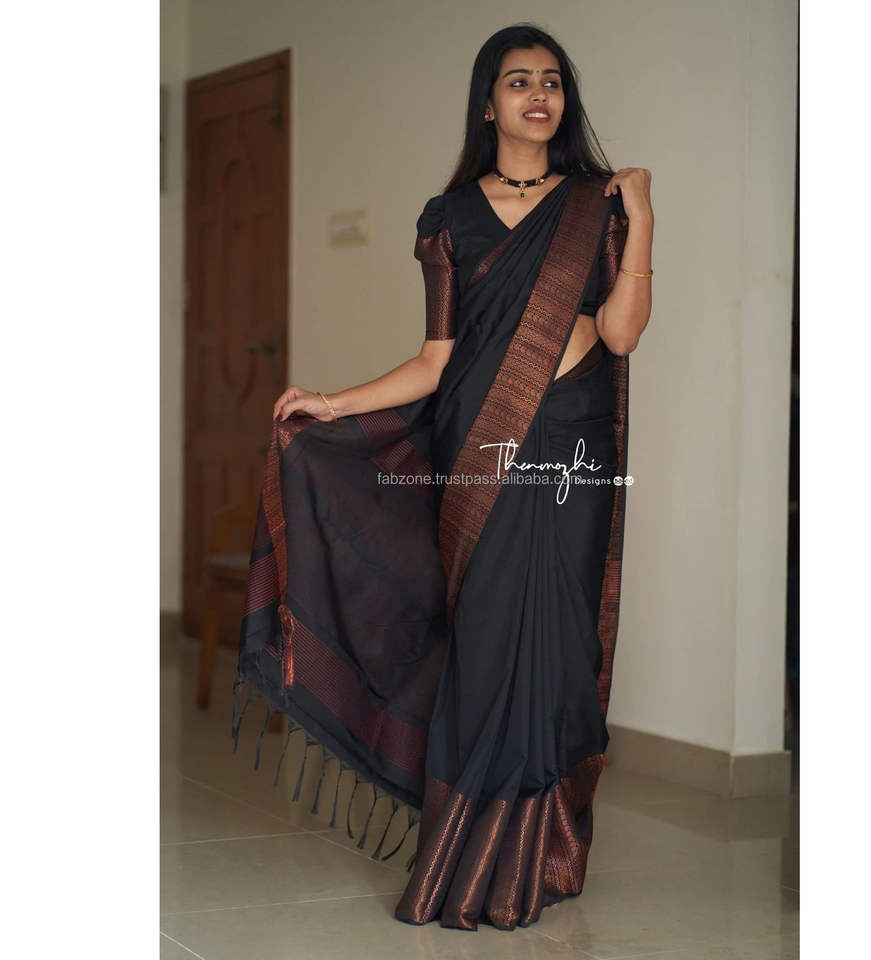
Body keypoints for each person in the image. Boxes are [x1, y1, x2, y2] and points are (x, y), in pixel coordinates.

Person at [230, 23, 654, 931]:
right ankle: (463, 856)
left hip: (574, 443)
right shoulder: (450, 217)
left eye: (551, 81)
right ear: (488, 102)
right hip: (481, 446)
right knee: (487, 639)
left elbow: (620, 333)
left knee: (563, 641)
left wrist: (645, 217)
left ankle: (542, 852)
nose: (537, 95)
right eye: (518, 81)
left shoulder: (599, 205)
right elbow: (435, 361)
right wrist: (332, 404)